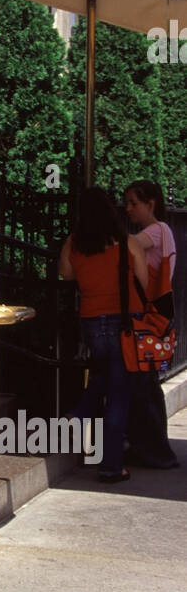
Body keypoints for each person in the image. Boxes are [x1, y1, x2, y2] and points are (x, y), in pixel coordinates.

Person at [59, 187, 148, 483]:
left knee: (105, 375)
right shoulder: (126, 242)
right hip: (126, 320)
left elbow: (66, 274)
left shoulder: (75, 242)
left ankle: (80, 412)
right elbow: (145, 283)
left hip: (92, 320)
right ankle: (111, 465)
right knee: (119, 393)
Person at [123, 179, 179, 469]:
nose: (128, 208)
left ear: (151, 204)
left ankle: (155, 450)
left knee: (144, 384)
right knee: (145, 384)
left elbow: (128, 245)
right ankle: (149, 447)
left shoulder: (156, 230)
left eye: (134, 202)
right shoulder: (163, 232)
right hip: (157, 315)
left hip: (148, 315)